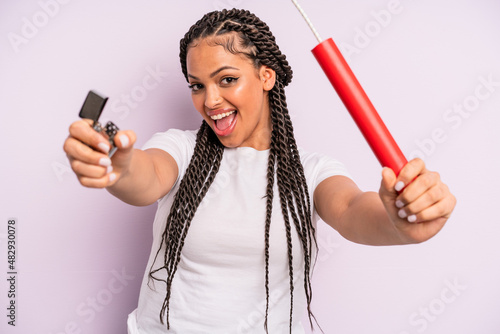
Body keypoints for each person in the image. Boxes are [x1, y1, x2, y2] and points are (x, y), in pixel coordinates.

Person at [63, 8, 456, 334]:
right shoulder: (181, 150)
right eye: (196, 85)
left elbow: (353, 210)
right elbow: (144, 178)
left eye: (227, 80)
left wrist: (401, 220)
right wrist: (117, 164)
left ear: (266, 76)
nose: (210, 100)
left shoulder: (310, 171)